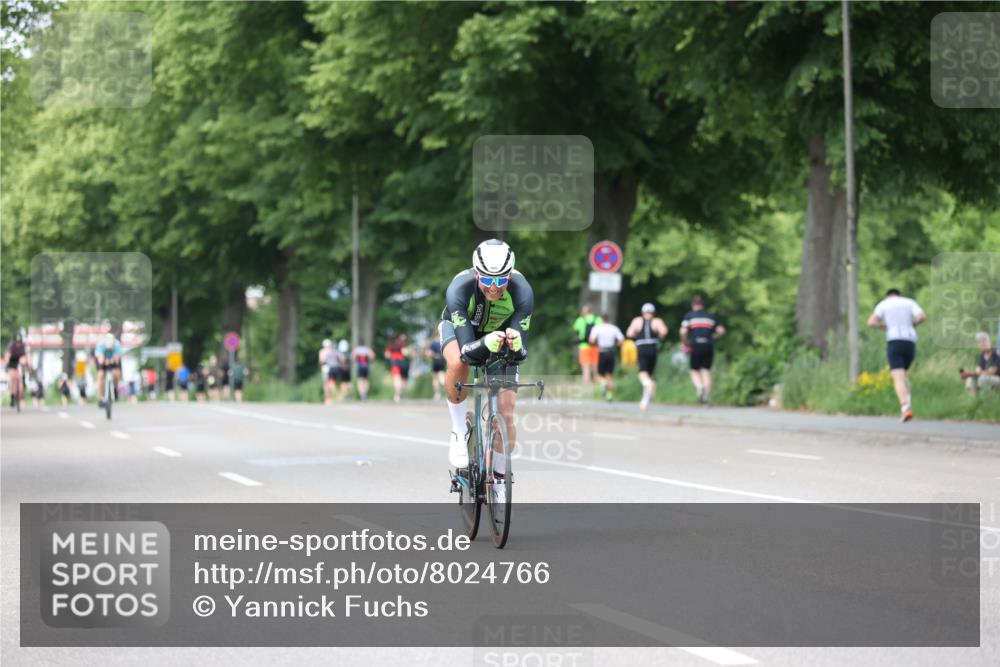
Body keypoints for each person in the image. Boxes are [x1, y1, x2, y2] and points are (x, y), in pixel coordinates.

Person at [441, 238, 533, 480]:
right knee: (457, 363)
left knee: (506, 411)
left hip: (500, 335)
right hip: (463, 332)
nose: (494, 287)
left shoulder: (522, 292)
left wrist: (516, 345)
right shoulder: (459, 288)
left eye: (501, 280)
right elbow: (467, 352)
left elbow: (520, 355)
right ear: (476, 273)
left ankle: (500, 479)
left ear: (510, 275)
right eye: (488, 280)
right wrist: (484, 343)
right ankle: (459, 430)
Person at [867, 288, 926, 422]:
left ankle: (905, 408)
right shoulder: (909, 302)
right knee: (904, 373)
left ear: (888, 296)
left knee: (897, 376)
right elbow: (922, 316)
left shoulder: (884, 304)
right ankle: (908, 403)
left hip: (894, 340)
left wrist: (883, 326)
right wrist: (913, 324)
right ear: (898, 295)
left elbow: (871, 322)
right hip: (910, 341)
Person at [679, 294, 726, 406]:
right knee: (706, 370)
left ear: (693, 305)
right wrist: (713, 337)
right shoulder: (710, 316)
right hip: (708, 345)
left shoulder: (689, 316)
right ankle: (706, 398)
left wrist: (685, 342)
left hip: (695, 345)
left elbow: (683, 332)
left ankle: (700, 388)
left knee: (694, 370)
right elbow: (721, 331)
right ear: (702, 304)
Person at [626, 303, 668, 411]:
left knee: (642, 373)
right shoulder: (657, 321)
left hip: (642, 347)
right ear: (653, 313)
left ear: (642, 312)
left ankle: (649, 385)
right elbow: (664, 332)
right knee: (649, 374)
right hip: (653, 348)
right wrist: (659, 336)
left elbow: (629, 333)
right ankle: (644, 402)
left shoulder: (637, 321)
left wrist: (636, 336)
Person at [588, 313, 624, 401]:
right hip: (611, 352)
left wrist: (596, 343)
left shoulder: (597, 328)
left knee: (598, 375)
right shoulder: (614, 328)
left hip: (601, 352)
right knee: (609, 375)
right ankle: (609, 395)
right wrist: (616, 345)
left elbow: (591, 340)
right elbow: (622, 340)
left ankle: (603, 383)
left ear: (601, 319)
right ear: (609, 319)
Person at [960, 332, 1000, 396]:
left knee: (983, 378)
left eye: (984, 341)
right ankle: (974, 401)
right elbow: (978, 369)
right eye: (979, 342)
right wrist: (970, 374)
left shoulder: (997, 353)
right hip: (990, 378)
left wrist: (971, 373)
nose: (982, 343)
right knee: (971, 379)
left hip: (998, 378)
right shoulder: (982, 355)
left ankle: (988, 400)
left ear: (989, 341)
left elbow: (992, 372)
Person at [573, 305, 601, 385]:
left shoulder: (580, 320)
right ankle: (597, 381)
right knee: (595, 364)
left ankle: (587, 382)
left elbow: (575, 329)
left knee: (586, 365)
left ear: (584, 312)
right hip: (595, 346)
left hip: (584, 346)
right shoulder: (598, 319)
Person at [94, 332, 123, 409]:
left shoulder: (116, 344)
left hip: (113, 360)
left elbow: (116, 360)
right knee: (100, 375)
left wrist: (111, 360)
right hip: (102, 360)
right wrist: (105, 361)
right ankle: (100, 397)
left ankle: (115, 389)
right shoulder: (101, 344)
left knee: (116, 373)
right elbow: (100, 360)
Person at [4, 333, 27, 410]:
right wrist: (6, 366)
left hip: (19, 363)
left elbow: (26, 356)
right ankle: (12, 397)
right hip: (11, 363)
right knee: (13, 378)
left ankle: (20, 394)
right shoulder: (11, 346)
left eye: (19, 342)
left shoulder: (23, 346)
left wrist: (27, 364)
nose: (18, 343)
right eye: (17, 342)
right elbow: (7, 356)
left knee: (20, 383)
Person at [384, 334, 408, 403]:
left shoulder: (391, 345)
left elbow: (387, 355)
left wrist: (392, 356)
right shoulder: (402, 345)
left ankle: (397, 395)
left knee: (397, 379)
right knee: (404, 379)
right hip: (403, 363)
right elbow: (405, 353)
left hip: (395, 363)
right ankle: (402, 393)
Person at [425, 329, 447, 400]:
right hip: (442, 360)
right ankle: (443, 384)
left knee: (435, 378)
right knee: (442, 374)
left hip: (435, 360)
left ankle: (437, 394)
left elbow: (429, 353)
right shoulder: (443, 341)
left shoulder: (433, 343)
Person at [319, 339, 340, 404]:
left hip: (325, 368)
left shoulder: (322, 351)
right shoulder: (332, 351)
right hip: (334, 368)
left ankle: (328, 398)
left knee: (326, 384)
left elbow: (321, 361)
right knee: (332, 382)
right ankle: (333, 397)